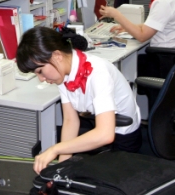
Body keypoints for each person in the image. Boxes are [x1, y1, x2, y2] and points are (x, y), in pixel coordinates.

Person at [16, 27, 141, 174]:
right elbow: (71, 121)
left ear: (56, 55)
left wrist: (56, 149)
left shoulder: (97, 72)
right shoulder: (63, 72)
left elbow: (105, 135)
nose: (41, 79)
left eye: (40, 71)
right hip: (99, 125)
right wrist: (61, 168)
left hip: (123, 136)